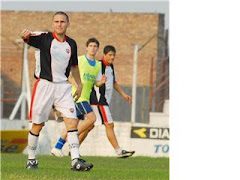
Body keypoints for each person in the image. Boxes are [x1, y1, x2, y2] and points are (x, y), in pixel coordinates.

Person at [21, 11, 93, 171]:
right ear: (53, 23)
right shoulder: (44, 38)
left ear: (67, 24)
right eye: (56, 21)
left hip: (63, 87)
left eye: (62, 21)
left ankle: (75, 160)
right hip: (44, 86)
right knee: (37, 125)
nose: (59, 24)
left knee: (72, 121)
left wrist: (79, 85)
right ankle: (31, 160)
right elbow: (27, 38)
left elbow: (74, 66)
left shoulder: (72, 44)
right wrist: (24, 35)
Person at [53, 45, 135, 158]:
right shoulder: (98, 65)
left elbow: (113, 82)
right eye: (110, 55)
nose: (112, 57)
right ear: (104, 55)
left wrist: (124, 94)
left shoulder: (110, 67)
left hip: (98, 100)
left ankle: (72, 148)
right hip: (98, 100)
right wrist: (76, 85)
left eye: (114, 55)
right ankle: (119, 151)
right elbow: (89, 80)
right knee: (109, 124)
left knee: (87, 126)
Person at [51, 38, 106, 157]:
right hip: (77, 96)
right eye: (90, 45)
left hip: (85, 98)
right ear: (86, 47)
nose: (92, 48)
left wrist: (100, 82)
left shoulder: (98, 65)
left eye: (95, 46)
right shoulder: (80, 60)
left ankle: (57, 147)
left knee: (74, 124)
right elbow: (70, 77)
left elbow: (95, 83)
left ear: (97, 48)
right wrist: (77, 86)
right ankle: (73, 137)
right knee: (92, 119)